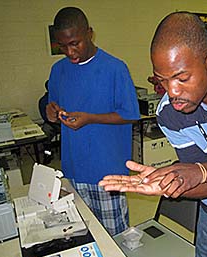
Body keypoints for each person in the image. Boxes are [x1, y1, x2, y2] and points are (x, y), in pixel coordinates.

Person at [99, 11, 207, 257]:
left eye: (182, 78)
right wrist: (174, 183)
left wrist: (203, 171)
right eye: (162, 80)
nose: (172, 92)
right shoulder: (168, 113)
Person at [46, 7, 140, 237]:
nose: (70, 51)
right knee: (82, 234)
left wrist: (90, 118)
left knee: (113, 236)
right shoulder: (58, 71)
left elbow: (130, 114)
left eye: (75, 43)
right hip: (74, 168)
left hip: (107, 170)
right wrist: (52, 113)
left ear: (90, 33)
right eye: (63, 45)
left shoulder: (115, 68)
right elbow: (54, 107)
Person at [38, 80, 61, 164]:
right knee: (45, 131)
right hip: (52, 124)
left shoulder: (62, 99)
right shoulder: (44, 100)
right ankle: (48, 154)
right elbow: (45, 117)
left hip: (64, 123)